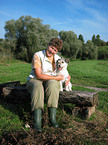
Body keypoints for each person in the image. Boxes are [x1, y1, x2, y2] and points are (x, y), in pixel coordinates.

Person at [26, 38, 71, 132]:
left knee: (53, 85)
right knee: (38, 86)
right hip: (35, 79)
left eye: (55, 50)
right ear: (48, 45)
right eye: (51, 47)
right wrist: (56, 78)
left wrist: (68, 78)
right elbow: (38, 75)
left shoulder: (58, 58)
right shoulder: (38, 55)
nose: (52, 51)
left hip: (50, 79)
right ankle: (37, 123)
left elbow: (64, 71)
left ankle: (52, 119)